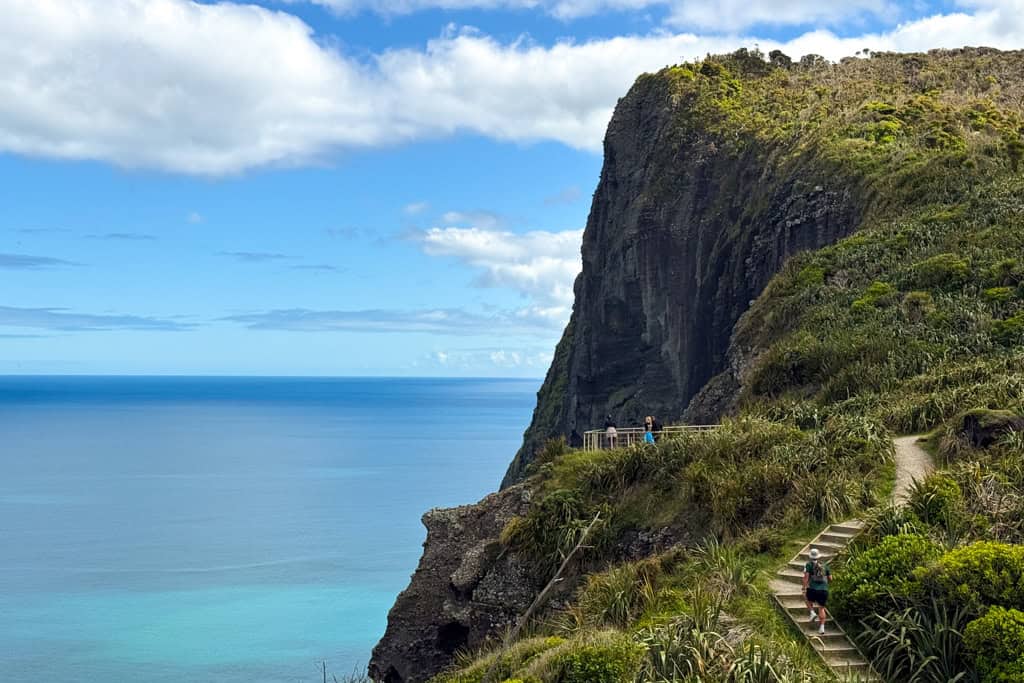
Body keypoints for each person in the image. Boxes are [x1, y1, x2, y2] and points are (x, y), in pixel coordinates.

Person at [803, 548, 831, 634]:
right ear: (818, 556)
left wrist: (804, 587)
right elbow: (831, 578)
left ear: (810, 557)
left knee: (806, 598)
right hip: (824, 590)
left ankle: (812, 612)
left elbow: (806, 577)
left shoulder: (809, 565)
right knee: (821, 608)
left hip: (812, 589)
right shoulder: (825, 565)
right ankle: (822, 628)